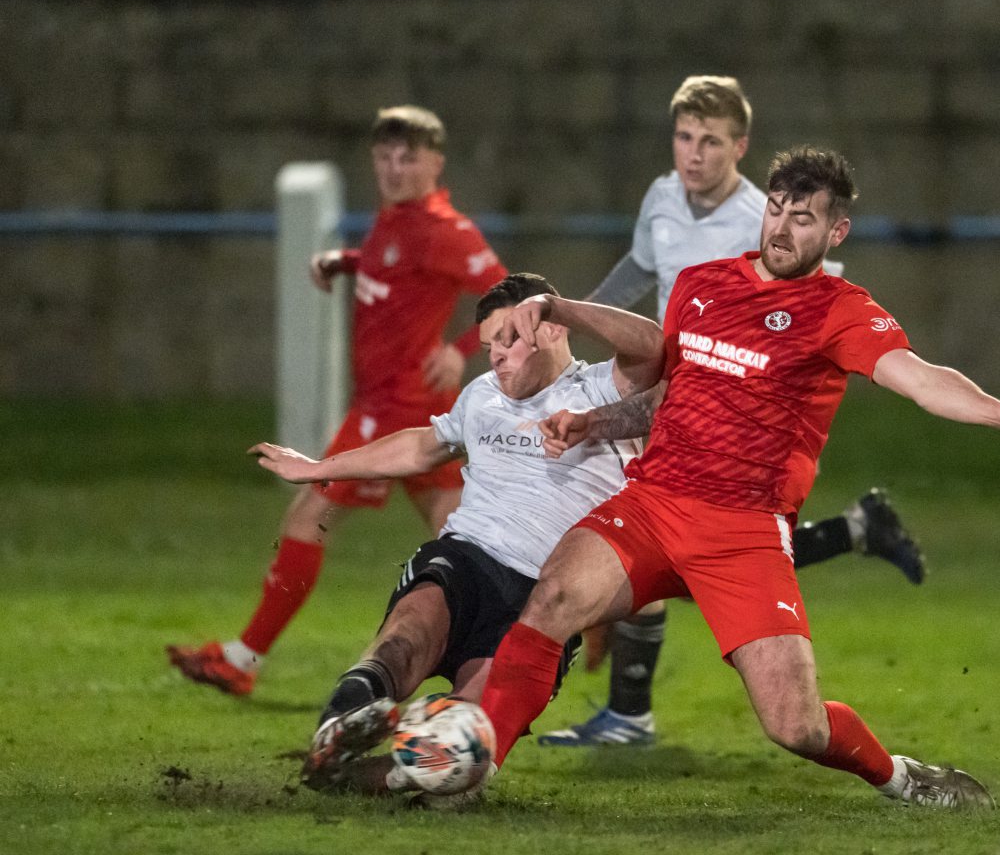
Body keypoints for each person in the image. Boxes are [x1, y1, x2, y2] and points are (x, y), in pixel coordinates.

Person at [477, 146, 1000, 809]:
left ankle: (903, 777)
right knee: (552, 601)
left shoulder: (839, 310)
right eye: (777, 211)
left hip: (744, 532)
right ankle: (473, 771)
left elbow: (922, 379)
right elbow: (672, 394)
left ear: (836, 232)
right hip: (656, 503)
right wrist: (596, 425)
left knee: (797, 725)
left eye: (805, 219)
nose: (783, 229)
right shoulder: (702, 285)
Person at [541, 75, 926, 749]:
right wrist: (581, 323)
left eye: (710, 142)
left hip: (721, 405)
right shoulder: (662, 196)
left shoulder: (763, 220)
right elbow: (638, 268)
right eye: (684, 138)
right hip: (663, 389)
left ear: (739, 147)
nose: (693, 155)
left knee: (691, 552)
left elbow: (802, 306)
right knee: (651, 550)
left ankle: (624, 707)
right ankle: (620, 703)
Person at [247, 272, 664, 794]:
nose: (496, 356)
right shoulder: (483, 395)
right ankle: (333, 734)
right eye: (490, 345)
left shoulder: (604, 390)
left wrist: (563, 306)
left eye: (510, 339)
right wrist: (318, 467)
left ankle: (365, 778)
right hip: (467, 560)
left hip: (547, 600)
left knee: (462, 753)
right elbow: (424, 446)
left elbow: (652, 344)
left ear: (552, 331)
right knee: (402, 644)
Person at [168, 106, 509, 697]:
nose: (394, 169)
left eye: (408, 158)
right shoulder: (397, 219)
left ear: (436, 162)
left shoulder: (446, 229)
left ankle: (243, 660)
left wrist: (460, 348)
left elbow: (509, 295)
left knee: (309, 514)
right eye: (384, 158)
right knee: (465, 541)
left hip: (397, 410)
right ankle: (495, 667)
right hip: (406, 407)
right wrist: (347, 262)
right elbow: (400, 274)